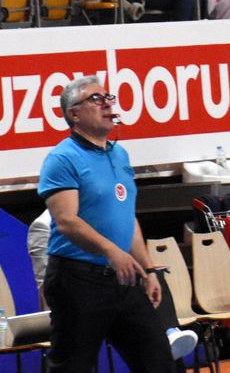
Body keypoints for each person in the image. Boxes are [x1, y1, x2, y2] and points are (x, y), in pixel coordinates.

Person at [37, 75, 174, 372]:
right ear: (74, 113)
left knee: (159, 361)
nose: (107, 104)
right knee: (72, 367)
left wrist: (148, 269)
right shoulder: (62, 158)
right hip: (78, 280)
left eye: (108, 97)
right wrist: (112, 251)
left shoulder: (120, 154)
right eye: (96, 99)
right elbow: (66, 221)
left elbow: (127, 217)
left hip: (124, 279)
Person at [26, 208, 198, 361]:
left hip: (109, 291)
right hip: (76, 299)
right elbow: (47, 283)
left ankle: (169, 333)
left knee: (150, 275)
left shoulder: (96, 215)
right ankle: (165, 335)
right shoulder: (43, 227)